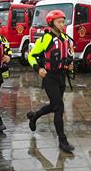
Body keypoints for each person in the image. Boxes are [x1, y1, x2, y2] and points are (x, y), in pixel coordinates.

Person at [27, 10, 75, 153]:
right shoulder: (46, 38)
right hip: (49, 77)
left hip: (61, 76)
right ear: (51, 23)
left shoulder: (65, 39)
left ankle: (34, 116)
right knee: (59, 108)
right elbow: (32, 56)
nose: (62, 24)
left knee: (55, 105)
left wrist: (70, 66)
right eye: (59, 22)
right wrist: (38, 68)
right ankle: (62, 141)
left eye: (63, 21)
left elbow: (67, 56)